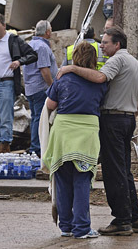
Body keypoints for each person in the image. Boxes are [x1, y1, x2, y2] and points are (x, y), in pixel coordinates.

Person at [58, 26, 138, 236]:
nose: (101, 46)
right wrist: (135, 111)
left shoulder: (117, 60)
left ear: (117, 44)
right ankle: (135, 218)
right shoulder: (135, 63)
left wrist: (72, 69)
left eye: (105, 43)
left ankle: (121, 220)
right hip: (127, 119)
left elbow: (100, 78)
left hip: (112, 119)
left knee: (114, 172)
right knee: (125, 171)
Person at [43, 42, 107, 239]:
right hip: (87, 132)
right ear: (94, 59)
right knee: (81, 181)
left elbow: (50, 105)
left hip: (63, 132)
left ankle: (66, 227)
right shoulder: (100, 81)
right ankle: (81, 229)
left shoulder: (62, 78)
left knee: (62, 180)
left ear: (74, 58)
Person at [0, 13, 38, 153]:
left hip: (7, 82)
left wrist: (19, 62)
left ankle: (4, 146)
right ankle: (1, 141)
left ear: (4, 25)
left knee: (6, 116)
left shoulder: (12, 40)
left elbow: (32, 55)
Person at [23, 20, 58, 156]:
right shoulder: (42, 47)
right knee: (40, 118)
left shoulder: (31, 44)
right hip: (40, 88)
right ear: (47, 32)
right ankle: (36, 148)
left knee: (35, 117)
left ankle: (35, 146)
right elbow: (44, 70)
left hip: (31, 88)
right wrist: (52, 87)